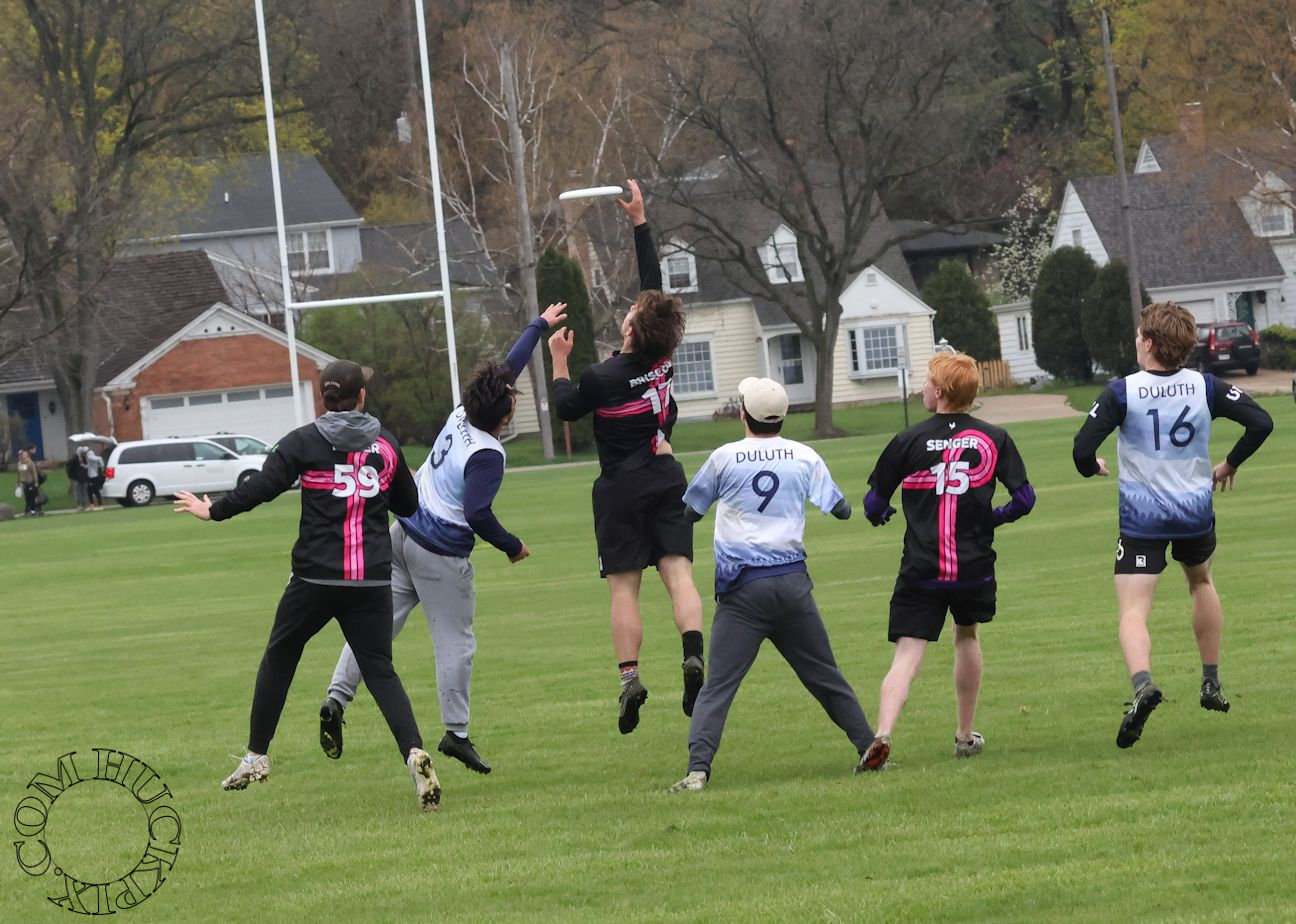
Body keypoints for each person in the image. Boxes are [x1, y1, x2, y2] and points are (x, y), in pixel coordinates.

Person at [174, 360, 441, 812]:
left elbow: (262, 487)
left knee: (280, 656)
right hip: (371, 578)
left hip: (314, 578)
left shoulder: (303, 441)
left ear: (324, 398)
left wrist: (213, 510)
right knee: (379, 670)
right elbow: (409, 504)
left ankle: (256, 756)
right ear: (361, 397)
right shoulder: (386, 444)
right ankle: (414, 751)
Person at [319, 303, 569, 775]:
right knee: (456, 642)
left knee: (375, 631)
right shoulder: (488, 453)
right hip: (439, 553)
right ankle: (456, 733)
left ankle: (336, 697)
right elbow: (476, 513)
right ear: (506, 413)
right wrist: (512, 545)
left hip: (401, 535)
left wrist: (538, 326)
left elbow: (503, 372)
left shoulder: (461, 412)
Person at [1072, 302, 1273, 748]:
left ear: (1148, 342)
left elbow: (1082, 449)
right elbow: (1261, 422)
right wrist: (1229, 464)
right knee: (1201, 583)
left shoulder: (1122, 391)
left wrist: (1093, 467)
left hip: (1142, 517)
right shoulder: (1206, 386)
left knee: (1133, 609)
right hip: (1194, 512)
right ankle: (1211, 681)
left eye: (1139, 335)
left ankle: (1143, 685)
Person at [549, 178, 705, 735]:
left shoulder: (604, 376)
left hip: (619, 487)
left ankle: (631, 678)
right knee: (678, 572)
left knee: (623, 587)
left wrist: (559, 359)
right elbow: (654, 291)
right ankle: (693, 654)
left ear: (632, 326)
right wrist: (640, 222)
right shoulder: (664, 355)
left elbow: (566, 408)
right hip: (666, 475)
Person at [668, 378, 877, 793]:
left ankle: (697, 771)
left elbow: (690, 512)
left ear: (743, 414)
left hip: (743, 591)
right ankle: (868, 745)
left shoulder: (725, 457)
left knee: (719, 687)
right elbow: (841, 509)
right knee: (824, 676)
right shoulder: (804, 455)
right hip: (793, 585)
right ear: (782, 417)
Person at [858, 352, 1035, 771]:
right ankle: (965, 736)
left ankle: (882, 734)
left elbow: (873, 503)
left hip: (922, 567)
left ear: (939, 392)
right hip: (972, 565)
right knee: (967, 636)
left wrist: (881, 514)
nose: (923, 387)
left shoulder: (908, 440)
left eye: (926, 382)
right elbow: (1025, 499)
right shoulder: (995, 438)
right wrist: (993, 517)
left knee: (907, 654)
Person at [16, 449, 41, 516]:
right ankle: (29, 510)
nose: (21, 456)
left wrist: (36, 482)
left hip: (30, 482)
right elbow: (18, 474)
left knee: (31, 497)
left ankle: (33, 510)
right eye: (21, 455)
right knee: (27, 497)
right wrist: (17, 482)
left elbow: (34, 473)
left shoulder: (30, 463)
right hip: (23, 483)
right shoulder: (19, 463)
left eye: (23, 454)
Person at [67, 447, 89, 511]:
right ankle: (79, 505)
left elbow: (86, 467)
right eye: (81, 452)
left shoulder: (84, 458)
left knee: (84, 492)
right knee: (78, 492)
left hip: (84, 478)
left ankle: (85, 504)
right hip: (76, 478)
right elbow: (69, 468)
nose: (82, 453)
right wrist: (72, 476)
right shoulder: (74, 459)